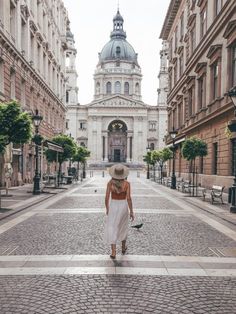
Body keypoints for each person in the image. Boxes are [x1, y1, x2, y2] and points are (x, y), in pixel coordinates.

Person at [104, 164, 134, 259]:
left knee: (112, 227)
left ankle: (113, 252)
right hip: (123, 206)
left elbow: (106, 198)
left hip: (113, 205)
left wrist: (107, 208)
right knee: (123, 226)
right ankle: (123, 247)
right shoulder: (127, 184)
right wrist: (131, 211)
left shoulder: (110, 183)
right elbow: (129, 198)